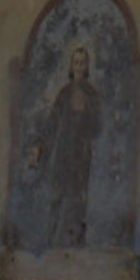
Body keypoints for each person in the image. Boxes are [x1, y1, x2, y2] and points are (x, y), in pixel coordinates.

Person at [26, 44, 102, 248]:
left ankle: (76, 243)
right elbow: (52, 123)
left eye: (82, 63)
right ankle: (52, 242)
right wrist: (39, 146)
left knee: (78, 199)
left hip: (81, 155)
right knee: (58, 196)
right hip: (63, 152)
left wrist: (87, 110)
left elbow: (97, 128)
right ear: (71, 66)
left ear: (87, 66)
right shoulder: (65, 93)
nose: (79, 67)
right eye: (76, 62)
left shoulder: (92, 95)